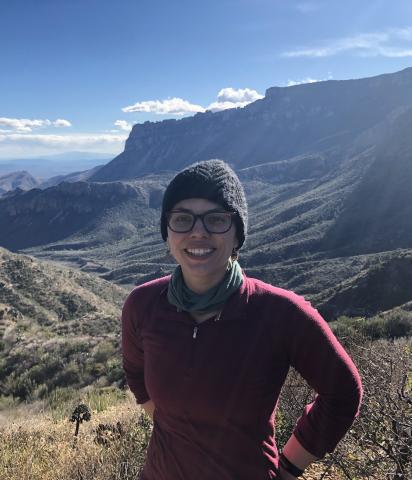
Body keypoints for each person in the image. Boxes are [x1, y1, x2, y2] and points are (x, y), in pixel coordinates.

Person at [122, 159, 363, 480]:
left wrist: (289, 467)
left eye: (216, 219)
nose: (198, 232)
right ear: (167, 234)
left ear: (237, 234)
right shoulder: (143, 305)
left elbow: (343, 392)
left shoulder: (281, 313)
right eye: (182, 219)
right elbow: (135, 373)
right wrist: (177, 426)